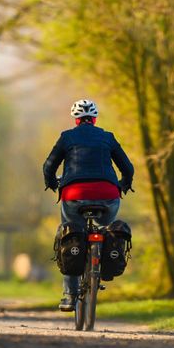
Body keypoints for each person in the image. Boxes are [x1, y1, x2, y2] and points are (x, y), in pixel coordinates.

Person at [42, 98, 134, 312]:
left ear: (76, 120)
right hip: (108, 196)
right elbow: (128, 168)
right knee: (106, 229)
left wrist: (53, 184)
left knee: (70, 234)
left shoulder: (67, 138)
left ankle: (68, 295)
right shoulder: (107, 137)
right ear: (94, 119)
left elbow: (48, 166)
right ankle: (100, 262)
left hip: (73, 196)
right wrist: (123, 185)